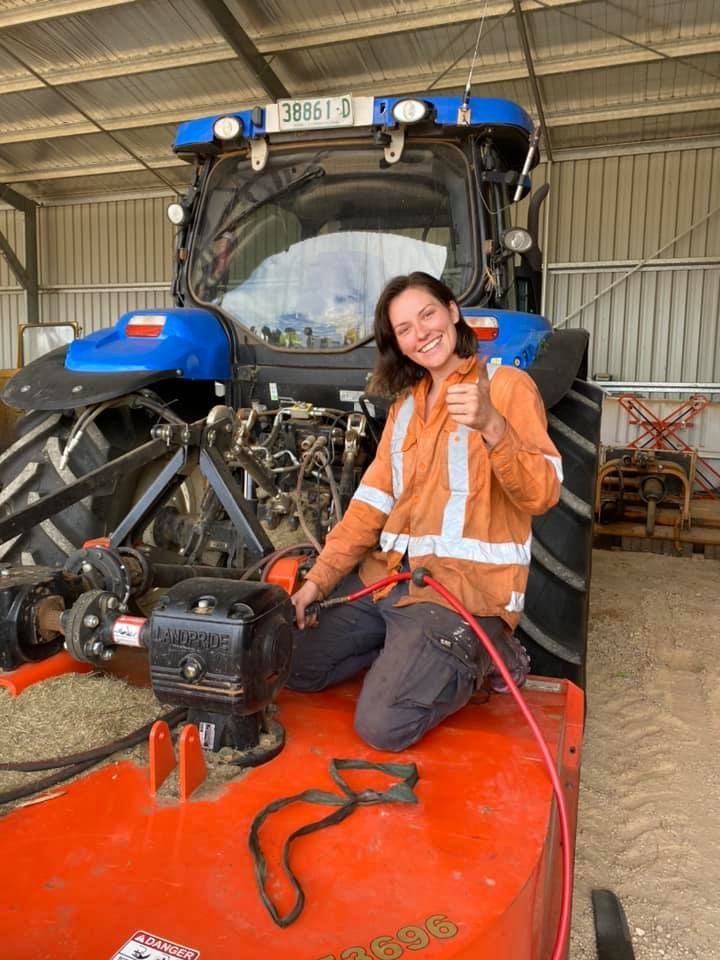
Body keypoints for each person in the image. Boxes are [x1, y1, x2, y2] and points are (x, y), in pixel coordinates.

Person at [288, 272, 562, 751]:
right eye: (405, 329)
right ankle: (406, 653)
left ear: (453, 312)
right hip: (388, 582)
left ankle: (489, 653)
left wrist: (492, 425)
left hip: (462, 595)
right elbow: (368, 507)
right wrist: (317, 583)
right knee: (293, 667)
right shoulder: (405, 409)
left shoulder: (507, 388)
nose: (422, 334)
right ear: (397, 343)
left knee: (383, 725)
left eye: (428, 314)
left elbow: (542, 495)